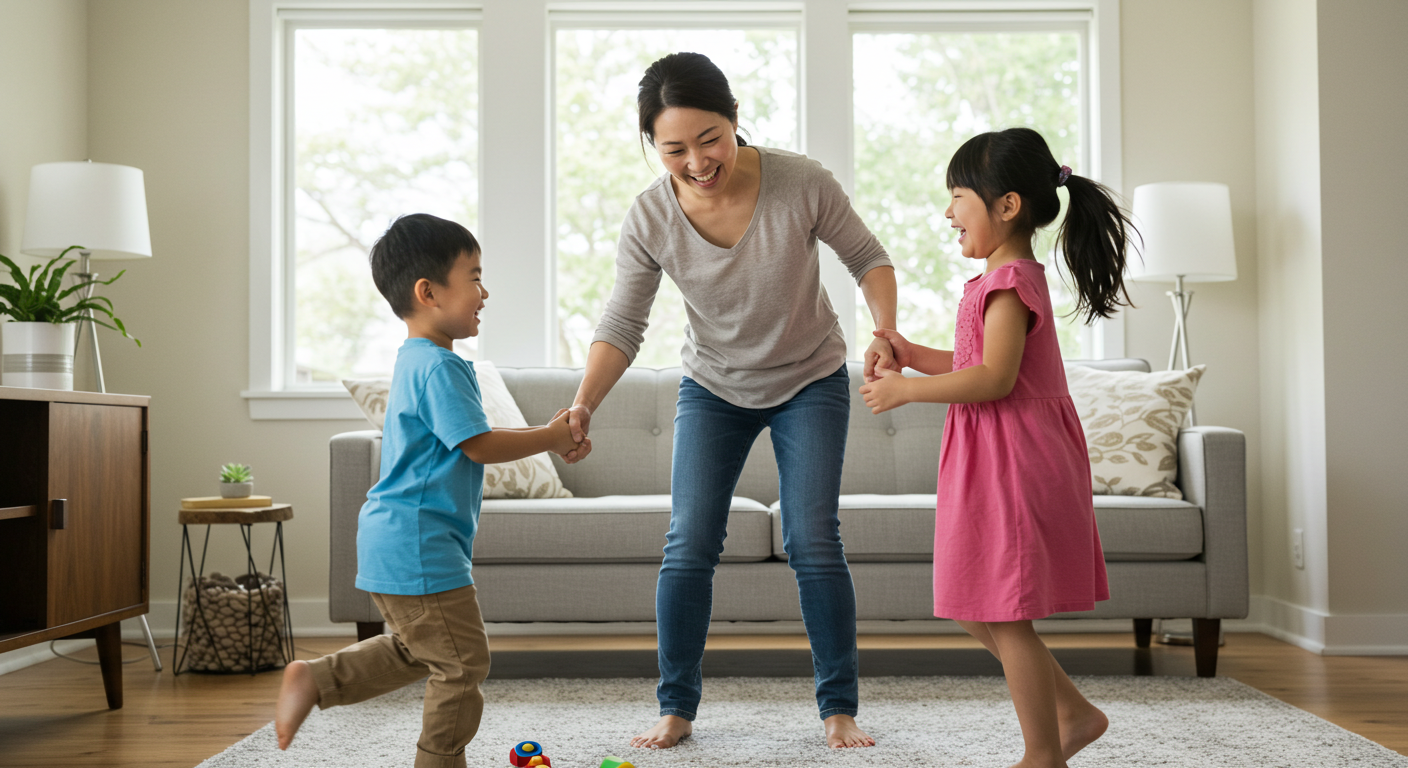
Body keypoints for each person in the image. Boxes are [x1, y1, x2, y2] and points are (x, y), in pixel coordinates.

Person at [559, 52, 898, 750]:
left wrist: (885, 330)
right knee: (688, 544)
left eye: (709, 139)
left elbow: (868, 258)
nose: (697, 162)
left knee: (812, 539)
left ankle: (839, 709)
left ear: (735, 120)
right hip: (714, 387)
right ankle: (676, 708)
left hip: (810, 378)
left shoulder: (800, 181)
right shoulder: (652, 215)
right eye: (673, 148)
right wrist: (584, 402)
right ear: (654, 145)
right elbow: (623, 323)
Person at [859, 127, 1131, 768]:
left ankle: (1044, 752)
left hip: (1016, 458)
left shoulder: (1010, 282)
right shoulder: (996, 282)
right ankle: (1075, 716)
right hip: (992, 455)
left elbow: (995, 379)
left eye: (957, 197)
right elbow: (974, 359)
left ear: (1006, 206)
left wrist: (905, 393)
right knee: (976, 604)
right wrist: (908, 353)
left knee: (1005, 612)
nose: (948, 212)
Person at [274, 213, 584, 768]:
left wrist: (550, 436)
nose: (485, 292)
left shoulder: (416, 361)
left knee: (422, 651)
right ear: (429, 292)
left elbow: (473, 438)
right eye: (475, 276)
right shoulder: (442, 367)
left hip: (398, 537)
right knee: (463, 664)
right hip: (419, 541)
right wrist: (554, 437)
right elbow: (479, 446)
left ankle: (317, 680)